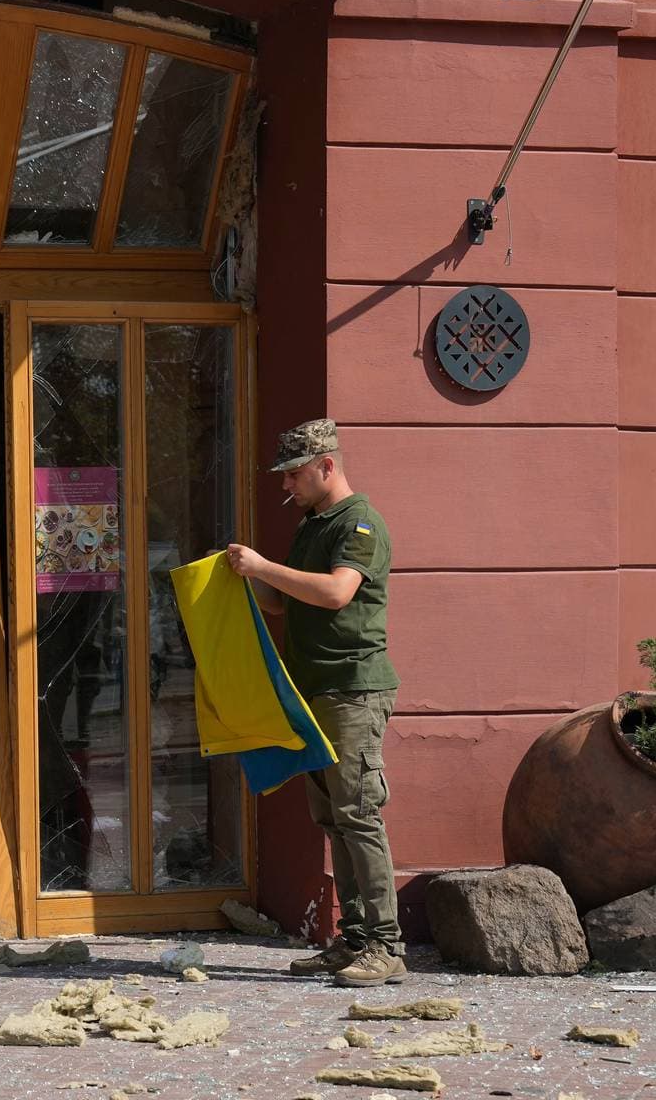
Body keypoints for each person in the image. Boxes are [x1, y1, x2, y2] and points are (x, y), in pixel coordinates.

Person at [225, 417, 405, 987]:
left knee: (358, 815)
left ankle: (386, 946)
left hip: (352, 689)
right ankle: (353, 941)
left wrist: (262, 566)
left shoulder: (359, 525)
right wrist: (243, 578)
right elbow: (284, 605)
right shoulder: (312, 523)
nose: (286, 486)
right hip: (314, 690)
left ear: (328, 466)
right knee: (333, 818)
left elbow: (334, 592)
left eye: (294, 475)